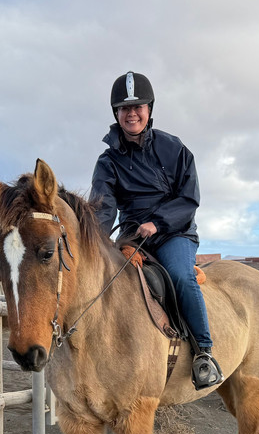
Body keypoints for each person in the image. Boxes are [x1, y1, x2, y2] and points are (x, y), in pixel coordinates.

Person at [91, 71, 224, 389]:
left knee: (179, 274)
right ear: (116, 114)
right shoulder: (108, 161)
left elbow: (189, 198)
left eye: (138, 107)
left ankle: (204, 354)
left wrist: (159, 222)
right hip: (134, 235)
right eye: (124, 108)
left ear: (149, 109)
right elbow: (104, 205)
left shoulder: (173, 148)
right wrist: (95, 240)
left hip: (174, 232)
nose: (131, 113)